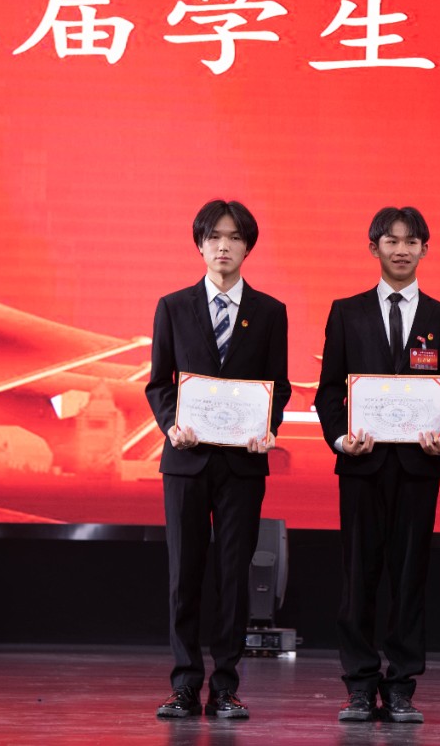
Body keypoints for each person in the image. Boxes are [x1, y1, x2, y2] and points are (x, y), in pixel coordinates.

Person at [314, 206, 440, 724]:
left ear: (425, 249)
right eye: (391, 241)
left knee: (409, 578)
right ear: (373, 247)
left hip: (419, 467)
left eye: (411, 241)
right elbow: (329, 391)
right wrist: (340, 438)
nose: (401, 250)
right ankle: (359, 686)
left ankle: (401, 686)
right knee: (359, 578)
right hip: (361, 465)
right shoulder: (346, 312)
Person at [145, 199, 291, 720]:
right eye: (214, 237)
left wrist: (267, 427)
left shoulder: (270, 312)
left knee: (234, 576)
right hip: (186, 461)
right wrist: (172, 425)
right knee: (184, 576)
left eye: (234, 237)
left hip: (242, 466)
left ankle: (225, 686)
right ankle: (185, 684)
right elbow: (159, 383)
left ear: (248, 246)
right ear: (200, 245)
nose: (223, 246)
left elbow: (278, 385)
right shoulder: (173, 306)